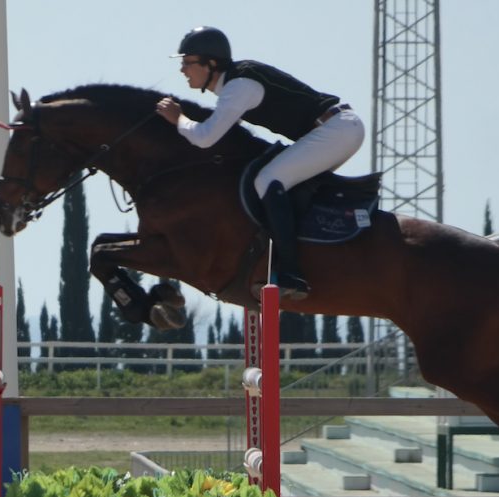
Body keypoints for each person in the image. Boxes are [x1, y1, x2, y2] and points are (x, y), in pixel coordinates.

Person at [155, 26, 365, 301]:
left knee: (268, 179)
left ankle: (291, 273)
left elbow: (205, 137)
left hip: (336, 130)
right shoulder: (236, 83)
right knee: (282, 182)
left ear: (211, 63)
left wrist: (178, 119)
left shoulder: (238, 86)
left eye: (187, 62)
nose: (182, 69)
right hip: (337, 129)